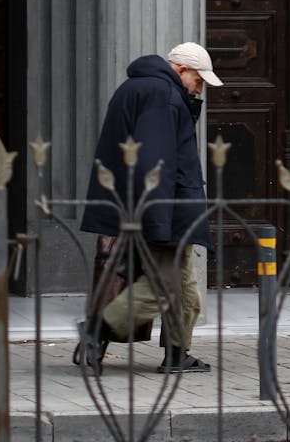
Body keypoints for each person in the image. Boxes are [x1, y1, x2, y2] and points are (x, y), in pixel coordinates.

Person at [77, 42, 223, 374]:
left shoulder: (137, 88)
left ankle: (176, 354)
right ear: (182, 70)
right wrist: (159, 219)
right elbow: (155, 162)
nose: (200, 89)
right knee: (163, 284)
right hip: (163, 207)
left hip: (155, 204)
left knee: (184, 285)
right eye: (199, 81)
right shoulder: (163, 95)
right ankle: (96, 330)